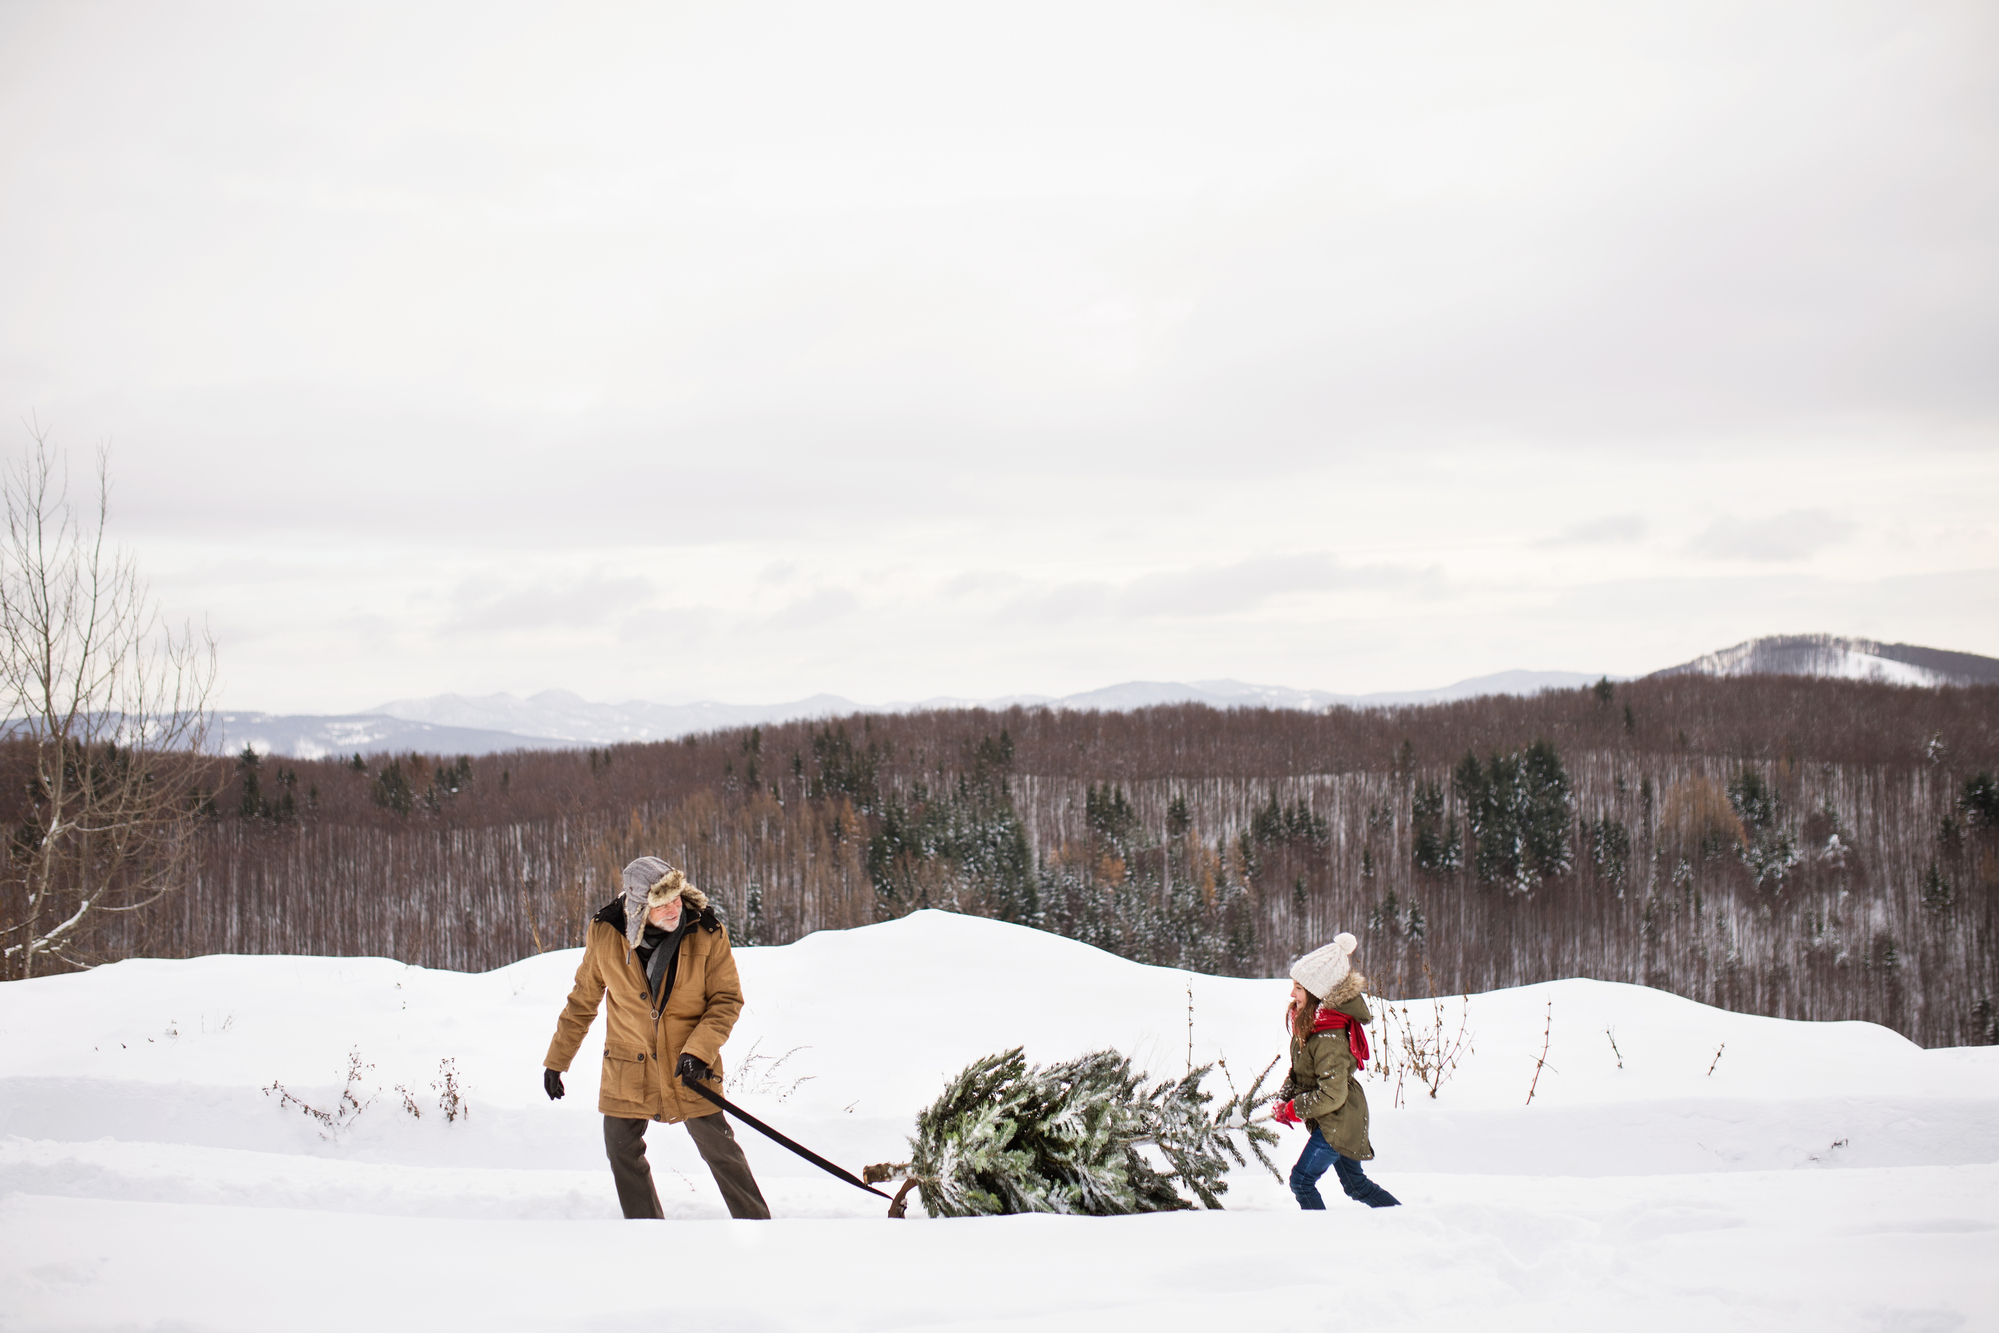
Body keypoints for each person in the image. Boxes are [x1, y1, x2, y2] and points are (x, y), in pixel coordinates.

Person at [542, 856, 770, 1220]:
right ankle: (645, 1230)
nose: (674, 909)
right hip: (629, 1067)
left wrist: (699, 1050)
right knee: (620, 1148)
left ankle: (759, 1224)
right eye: (662, 903)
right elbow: (582, 1000)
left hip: (690, 1066)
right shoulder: (605, 934)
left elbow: (727, 1000)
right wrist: (557, 1061)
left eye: (677, 898)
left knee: (720, 1150)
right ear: (638, 906)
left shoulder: (707, 931)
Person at [1271, 931, 1401, 1209]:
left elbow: (1332, 1095)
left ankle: (1319, 1238)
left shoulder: (1329, 1037)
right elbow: (1299, 1074)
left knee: (1301, 1181)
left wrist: (1295, 1108)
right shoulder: (1312, 1025)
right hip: (1336, 1118)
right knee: (1356, 1186)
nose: (1292, 994)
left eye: (1299, 988)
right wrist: (1284, 1098)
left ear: (1317, 993)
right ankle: (1400, 1219)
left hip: (1339, 1119)